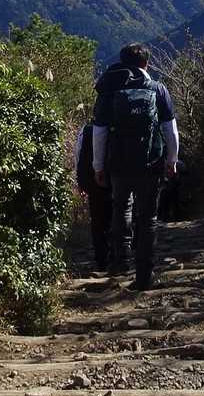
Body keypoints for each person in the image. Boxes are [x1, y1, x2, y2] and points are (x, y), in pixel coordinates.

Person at [92, 43, 178, 290]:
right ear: (146, 64)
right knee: (148, 217)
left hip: (118, 163)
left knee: (121, 208)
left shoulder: (109, 90)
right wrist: (172, 160)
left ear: (121, 62)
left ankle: (120, 264)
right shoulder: (157, 89)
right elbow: (170, 129)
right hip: (151, 162)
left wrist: (98, 166)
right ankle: (144, 276)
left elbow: (99, 132)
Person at [74, 120, 111, 270]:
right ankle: (118, 255)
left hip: (92, 180)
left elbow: (78, 155)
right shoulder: (117, 125)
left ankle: (101, 258)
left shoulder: (86, 130)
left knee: (97, 219)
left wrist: (80, 180)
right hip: (116, 177)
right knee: (118, 214)